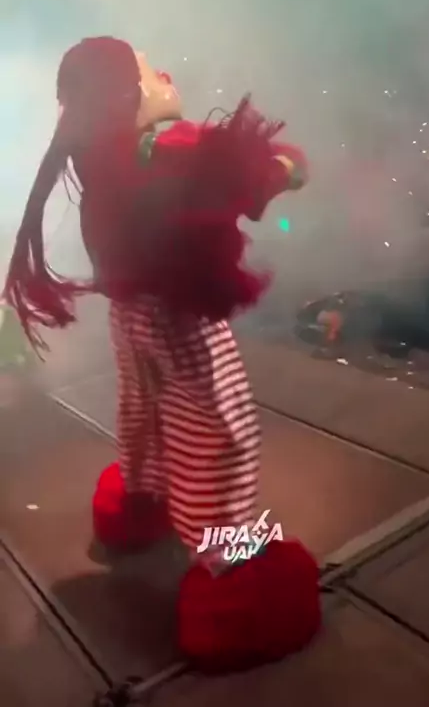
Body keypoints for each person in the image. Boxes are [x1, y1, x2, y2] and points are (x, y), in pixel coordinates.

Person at [4, 37, 320, 666]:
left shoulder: (95, 150)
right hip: (179, 316)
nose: (164, 74)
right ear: (126, 93)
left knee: (144, 416)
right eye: (150, 70)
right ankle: (236, 581)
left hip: (133, 315)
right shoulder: (163, 145)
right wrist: (287, 165)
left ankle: (140, 501)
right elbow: (267, 170)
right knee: (220, 432)